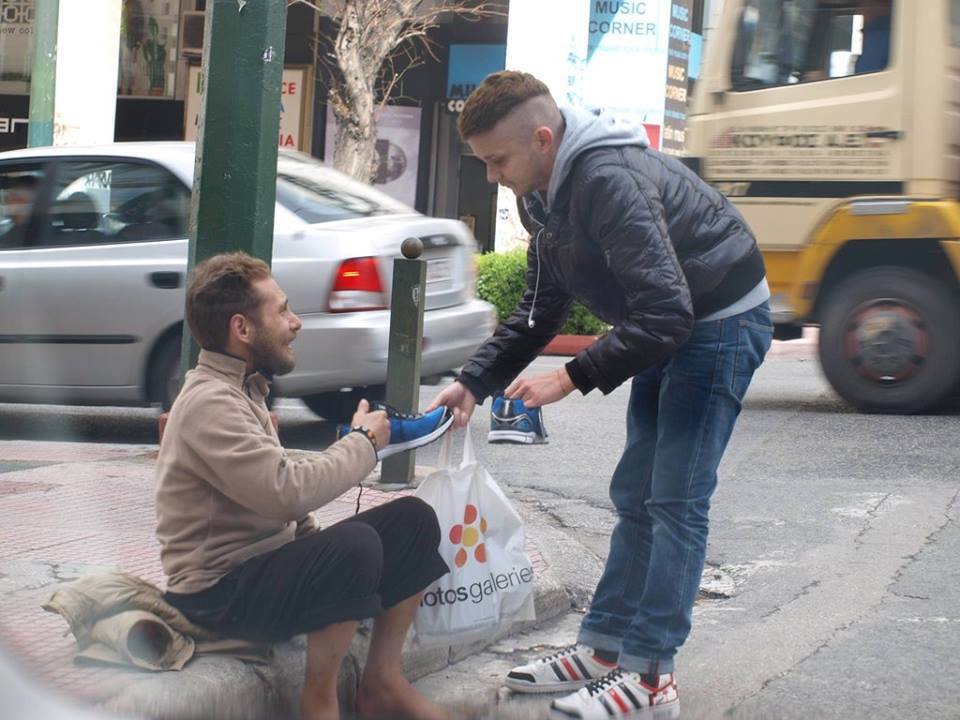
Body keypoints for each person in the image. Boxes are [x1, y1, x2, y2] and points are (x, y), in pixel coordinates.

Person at [428, 71, 773, 719]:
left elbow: (667, 314)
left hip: (720, 320)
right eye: (483, 163)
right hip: (671, 322)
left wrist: (571, 376)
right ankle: (606, 648)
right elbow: (540, 306)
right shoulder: (542, 192)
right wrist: (474, 382)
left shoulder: (608, 180)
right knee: (635, 494)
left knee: (674, 499)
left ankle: (650, 680)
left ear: (542, 137)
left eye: (497, 160)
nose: (491, 177)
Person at [155, 252, 452, 720]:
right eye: (282, 311)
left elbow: (285, 509)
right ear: (242, 329)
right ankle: (319, 702)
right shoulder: (209, 403)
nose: (295, 323)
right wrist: (364, 442)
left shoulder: (243, 390)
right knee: (355, 545)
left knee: (411, 520)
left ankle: (382, 681)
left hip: (260, 573)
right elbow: (287, 491)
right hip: (216, 594)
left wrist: (328, 562)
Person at [0, 174, 37, 247]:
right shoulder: (22, 230)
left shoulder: (27, 235)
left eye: (11, 198)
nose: (7, 203)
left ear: (21, 202)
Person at [855, 0, 892, 74]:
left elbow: (865, 77)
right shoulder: (895, 32)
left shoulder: (877, 38)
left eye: (861, 5)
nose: (858, 11)